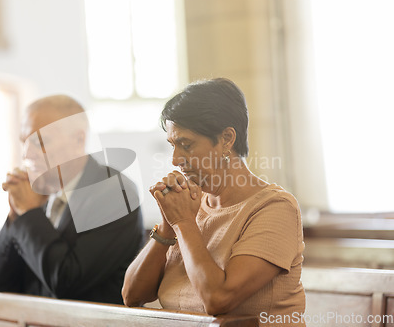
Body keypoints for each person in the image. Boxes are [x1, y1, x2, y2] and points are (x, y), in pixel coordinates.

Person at [122, 78, 305, 325]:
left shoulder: (275, 208)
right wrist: (167, 226)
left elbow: (217, 299)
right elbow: (131, 295)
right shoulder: (190, 205)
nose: (175, 159)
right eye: (173, 146)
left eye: (186, 145)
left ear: (227, 139)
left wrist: (184, 222)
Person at [0, 95, 143, 304]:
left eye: (41, 141)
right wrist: (16, 214)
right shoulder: (40, 193)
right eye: (24, 141)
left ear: (78, 139)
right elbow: (0, 280)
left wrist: (30, 213)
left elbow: (66, 281)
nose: (27, 154)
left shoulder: (116, 193)